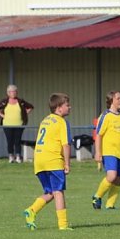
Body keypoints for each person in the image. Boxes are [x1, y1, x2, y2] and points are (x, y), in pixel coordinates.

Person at [22, 93, 73, 231]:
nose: (70, 107)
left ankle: (31, 210)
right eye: (67, 105)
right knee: (58, 192)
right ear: (59, 108)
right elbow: (66, 145)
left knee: (50, 192)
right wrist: (67, 163)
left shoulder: (45, 120)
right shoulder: (62, 122)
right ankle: (63, 225)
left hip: (39, 160)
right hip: (53, 160)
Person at [91, 90, 120, 210]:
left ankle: (110, 205)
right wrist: (98, 152)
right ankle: (97, 196)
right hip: (109, 152)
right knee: (112, 176)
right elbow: (99, 135)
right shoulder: (105, 115)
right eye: (118, 98)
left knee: (119, 179)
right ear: (111, 100)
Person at [0, 84, 33, 163]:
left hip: (19, 124)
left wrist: (25, 113)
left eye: (14, 92)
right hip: (7, 125)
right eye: (11, 92)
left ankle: (18, 156)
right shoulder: (4, 102)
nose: (13, 93)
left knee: (17, 141)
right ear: (8, 93)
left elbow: (30, 107)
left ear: (17, 92)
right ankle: (11, 156)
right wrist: (1, 115)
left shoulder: (21, 102)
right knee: (9, 140)